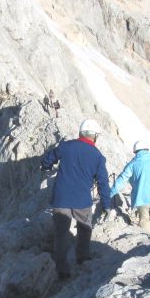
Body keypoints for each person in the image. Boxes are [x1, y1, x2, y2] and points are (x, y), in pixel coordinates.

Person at [40, 119, 113, 279]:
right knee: (85, 229)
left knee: (61, 233)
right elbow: (102, 182)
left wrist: (46, 166)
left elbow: (48, 159)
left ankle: (62, 270)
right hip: (82, 200)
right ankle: (83, 259)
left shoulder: (66, 146)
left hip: (61, 198)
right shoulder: (98, 156)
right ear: (94, 136)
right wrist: (106, 204)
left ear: (81, 132)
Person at [113, 140, 150, 235]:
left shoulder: (132, 164)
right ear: (147, 149)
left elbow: (121, 180)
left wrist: (111, 193)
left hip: (141, 198)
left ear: (135, 152)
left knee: (144, 222)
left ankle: (147, 244)